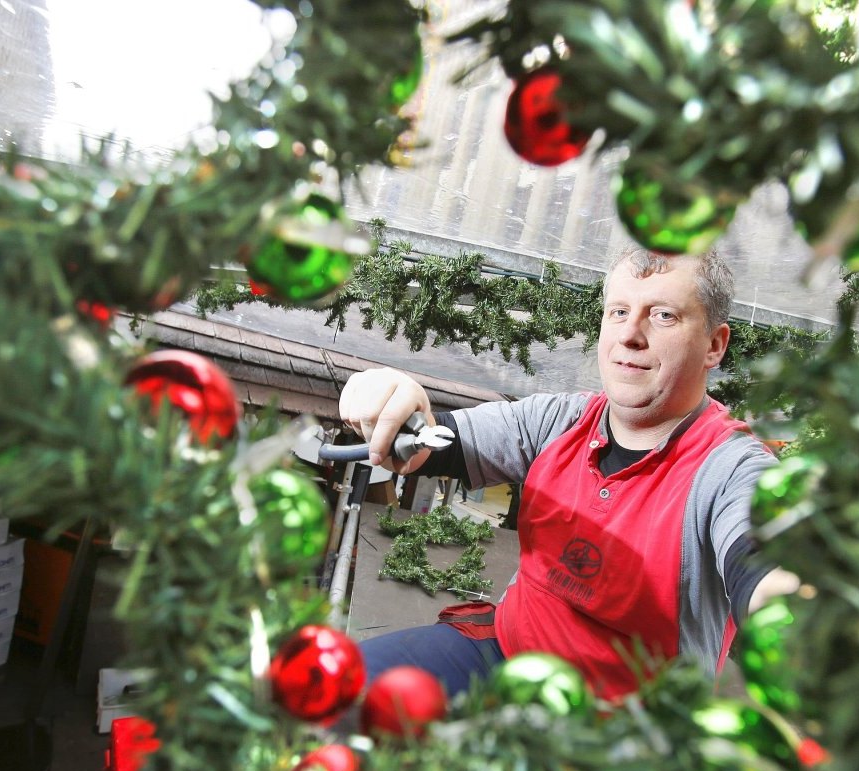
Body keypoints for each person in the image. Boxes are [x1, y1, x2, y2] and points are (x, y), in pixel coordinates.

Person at [339, 246, 800, 701]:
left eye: (663, 316)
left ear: (714, 345)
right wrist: (388, 400)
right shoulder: (558, 422)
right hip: (506, 655)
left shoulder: (732, 468)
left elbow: (765, 566)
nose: (630, 335)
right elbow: (427, 449)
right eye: (619, 311)